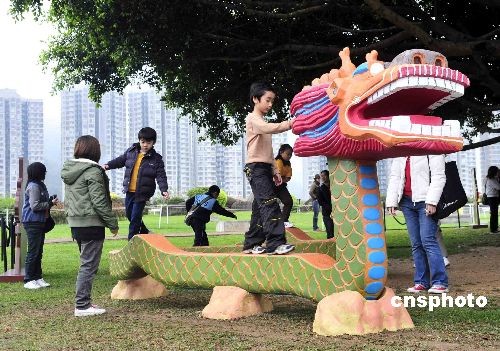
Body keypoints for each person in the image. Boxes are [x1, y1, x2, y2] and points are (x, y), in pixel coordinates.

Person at [61, 135, 119, 317]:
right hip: (91, 223)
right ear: (95, 150)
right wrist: (112, 223)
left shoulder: (71, 170)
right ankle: (82, 305)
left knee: (85, 263)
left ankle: (84, 303)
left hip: (76, 224)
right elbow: (99, 201)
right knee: (88, 266)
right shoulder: (93, 171)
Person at [242, 81, 295, 255]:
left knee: (260, 207)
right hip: (255, 168)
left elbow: (269, 152)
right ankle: (275, 244)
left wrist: (275, 170)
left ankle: (251, 244)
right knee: (270, 204)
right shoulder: (253, 119)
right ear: (256, 99)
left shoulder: (261, 122)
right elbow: (267, 128)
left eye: (273, 101)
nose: (270, 104)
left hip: (264, 167)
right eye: (268, 100)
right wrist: (289, 124)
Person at [386, 155, 449, 294]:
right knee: (416, 243)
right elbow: (395, 177)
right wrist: (391, 201)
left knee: (428, 240)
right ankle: (421, 282)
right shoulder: (400, 152)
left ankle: (440, 282)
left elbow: (439, 176)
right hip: (407, 202)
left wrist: (432, 201)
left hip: (425, 201)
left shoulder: (431, 149)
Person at [103, 127, 169, 240]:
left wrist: (164, 189)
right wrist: (108, 165)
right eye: (143, 142)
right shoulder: (131, 152)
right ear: (139, 140)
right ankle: (144, 231)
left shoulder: (156, 159)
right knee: (130, 215)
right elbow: (120, 160)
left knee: (135, 218)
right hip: (129, 191)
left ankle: (131, 241)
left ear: (153, 143)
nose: (145, 145)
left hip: (143, 193)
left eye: (148, 142)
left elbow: (161, 176)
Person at [22, 162, 59, 289]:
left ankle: (37, 277)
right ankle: (28, 279)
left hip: (39, 222)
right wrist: (50, 203)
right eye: (44, 171)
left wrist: (50, 202)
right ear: (39, 172)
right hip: (32, 222)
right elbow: (35, 206)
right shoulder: (33, 186)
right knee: (33, 251)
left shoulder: (40, 185)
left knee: (38, 251)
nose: (45, 173)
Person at [275, 144, 294, 228]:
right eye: (287, 154)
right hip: (272, 185)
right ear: (281, 152)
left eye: (291, 154)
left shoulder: (288, 163)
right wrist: (282, 178)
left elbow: (288, 178)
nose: (289, 156)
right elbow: (277, 177)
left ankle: (284, 221)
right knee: (270, 204)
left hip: (281, 186)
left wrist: (282, 178)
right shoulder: (278, 161)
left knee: (289, 201)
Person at [317, 169, 334, 239]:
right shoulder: (320, 188)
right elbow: (320, 202)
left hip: (337, 211)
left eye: (324, 175)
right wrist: (330, 207)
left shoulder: (334, 185)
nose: (323, 177)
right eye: (321, 176)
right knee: (330, 232)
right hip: (327, 213)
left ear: (328, 176)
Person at [484, 165, 500, 233]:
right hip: (493, 197)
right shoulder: (492, 180)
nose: (498, 172)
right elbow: (499, 187)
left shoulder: (487, 178)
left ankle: (494, 228)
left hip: (491, 197)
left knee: (494, 213)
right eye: (497, 171)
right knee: (494, 213)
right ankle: (493, 229)